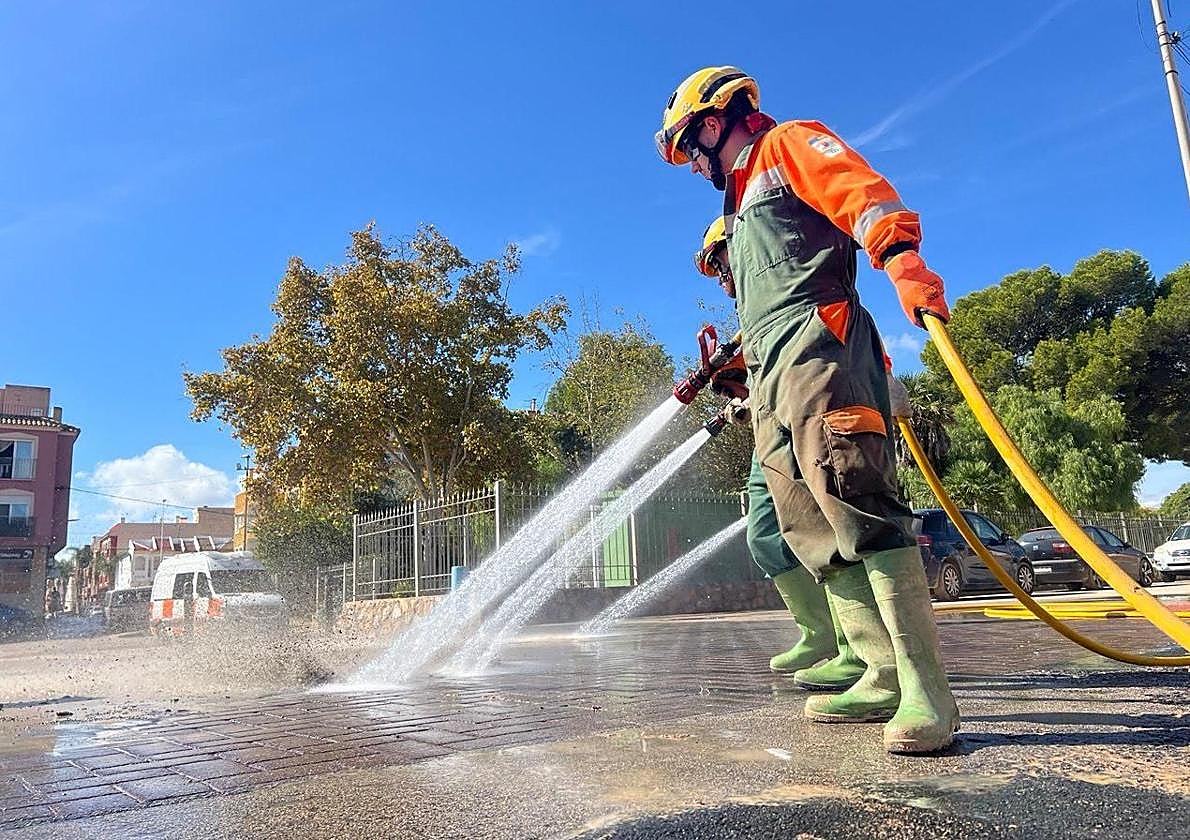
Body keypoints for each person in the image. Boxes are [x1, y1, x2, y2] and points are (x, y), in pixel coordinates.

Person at [658, 66, 958, 753]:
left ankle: (928, 693)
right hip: (770, 371)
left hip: (822, 344)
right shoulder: (735, 210)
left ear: (713, 124)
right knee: (806, 524)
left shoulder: (789, 145)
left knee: (858, 500)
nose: (691, 164)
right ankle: (878, 673)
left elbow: (866, 198)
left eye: (689, 147)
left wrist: (904, 264)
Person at [697, 218, 864, 691]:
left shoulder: (788, 274)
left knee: (826, 526)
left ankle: (857, 649)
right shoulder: (749, 307)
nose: (722, 276)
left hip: (812, 408)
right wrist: (743, 397)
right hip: (769, 423)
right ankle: (819, 633)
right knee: (765, 534)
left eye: (719, 262)